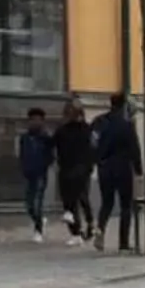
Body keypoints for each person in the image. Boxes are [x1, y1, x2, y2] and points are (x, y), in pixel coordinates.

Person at [93, 92, 144, 252]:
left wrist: (97, 161)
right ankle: (123, 242)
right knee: (125, 206)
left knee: (106, 203)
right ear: (123, 105)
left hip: (104, 167)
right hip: (122, 168)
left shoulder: (99, 122)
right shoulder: (127, 125)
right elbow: (134, 148)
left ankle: (100, 230)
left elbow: (92, 142)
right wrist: (138, 169)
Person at [51, 100, 97, 245]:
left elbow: (93, 149)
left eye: (73, 112)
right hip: (66, 167)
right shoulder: (62, 130)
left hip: (81, 168)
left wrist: (90, 166)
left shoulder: (87, 129)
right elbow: (52, 145)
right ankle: (75, 232)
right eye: (68, 112)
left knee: (81, 198)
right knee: (68, 200)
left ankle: (90, 223)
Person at [16, 107, 56, 242]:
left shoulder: (46, 138)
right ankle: (39, 219)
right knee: (28, 204)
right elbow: (22, 154)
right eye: (32, 120)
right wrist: (23, 167)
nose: (35, 122)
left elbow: (51, 155)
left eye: (38, 120)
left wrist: (44, 165)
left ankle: (38, 230)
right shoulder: (25, 138)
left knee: (37, 202)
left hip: (40, 173)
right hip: (28, 173)